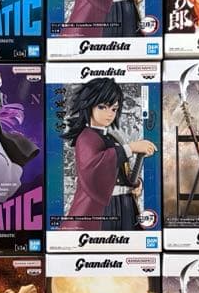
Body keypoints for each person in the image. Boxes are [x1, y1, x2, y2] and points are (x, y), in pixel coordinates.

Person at [59, 78, 156, 230]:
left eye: (114, 109)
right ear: (89, 106)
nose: (109, 114)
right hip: (104, 207)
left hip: (124, 203)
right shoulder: (86, 137)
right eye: (102, 107)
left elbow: (119, 173)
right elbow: (94, 169)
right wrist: (130, 148)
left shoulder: (112, 138)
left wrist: (136, 183)